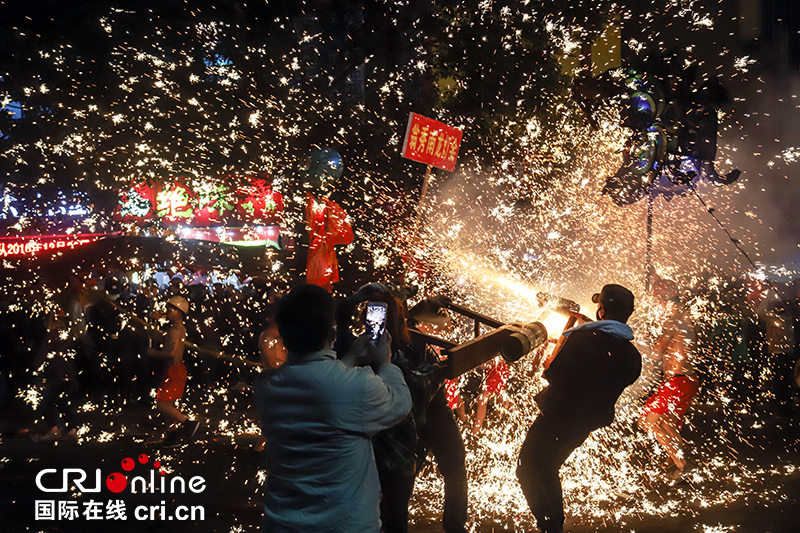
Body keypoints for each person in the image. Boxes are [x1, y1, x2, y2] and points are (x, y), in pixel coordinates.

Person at [255, 284, 411, 533]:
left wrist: (349, 359)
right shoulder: (358, 385)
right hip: (344, 526)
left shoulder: (266, 386)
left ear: (282, 334)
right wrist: (385, 362)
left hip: (282, 525)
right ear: (333, 333)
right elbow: (400, 403)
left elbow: (322, 389)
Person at [516, 284, 641, 533]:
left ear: (602, 310)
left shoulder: (584, 338)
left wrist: (557, 354)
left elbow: (554, 375)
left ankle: (550, 526)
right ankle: (554, 526)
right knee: (548, 467)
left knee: (527, 468)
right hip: (585, 425)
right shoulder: (631, 355)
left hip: (557, 417)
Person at [638, 278, 700, 481]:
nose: (657, 307)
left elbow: (656, 353)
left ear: (666, 301)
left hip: (677, 381)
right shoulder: (686, 318)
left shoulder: (673, 320)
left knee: (648, 422)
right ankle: (676, 461)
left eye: (658, 302)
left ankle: (682, 467)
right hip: (688, 380)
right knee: (667, 424)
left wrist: (633, 342)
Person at [146, 295, 200, 447]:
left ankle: (189, 424)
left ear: (178, 312)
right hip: (172, 369)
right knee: (168, 407)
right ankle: (172, 437)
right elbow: (159, 338)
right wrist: (154, 322)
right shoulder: (174, 329)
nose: (167, 312)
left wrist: (154, 353)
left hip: (174, 370)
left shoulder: (176, 330)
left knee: (162, 405)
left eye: (170, 309)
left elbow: (170, 352)